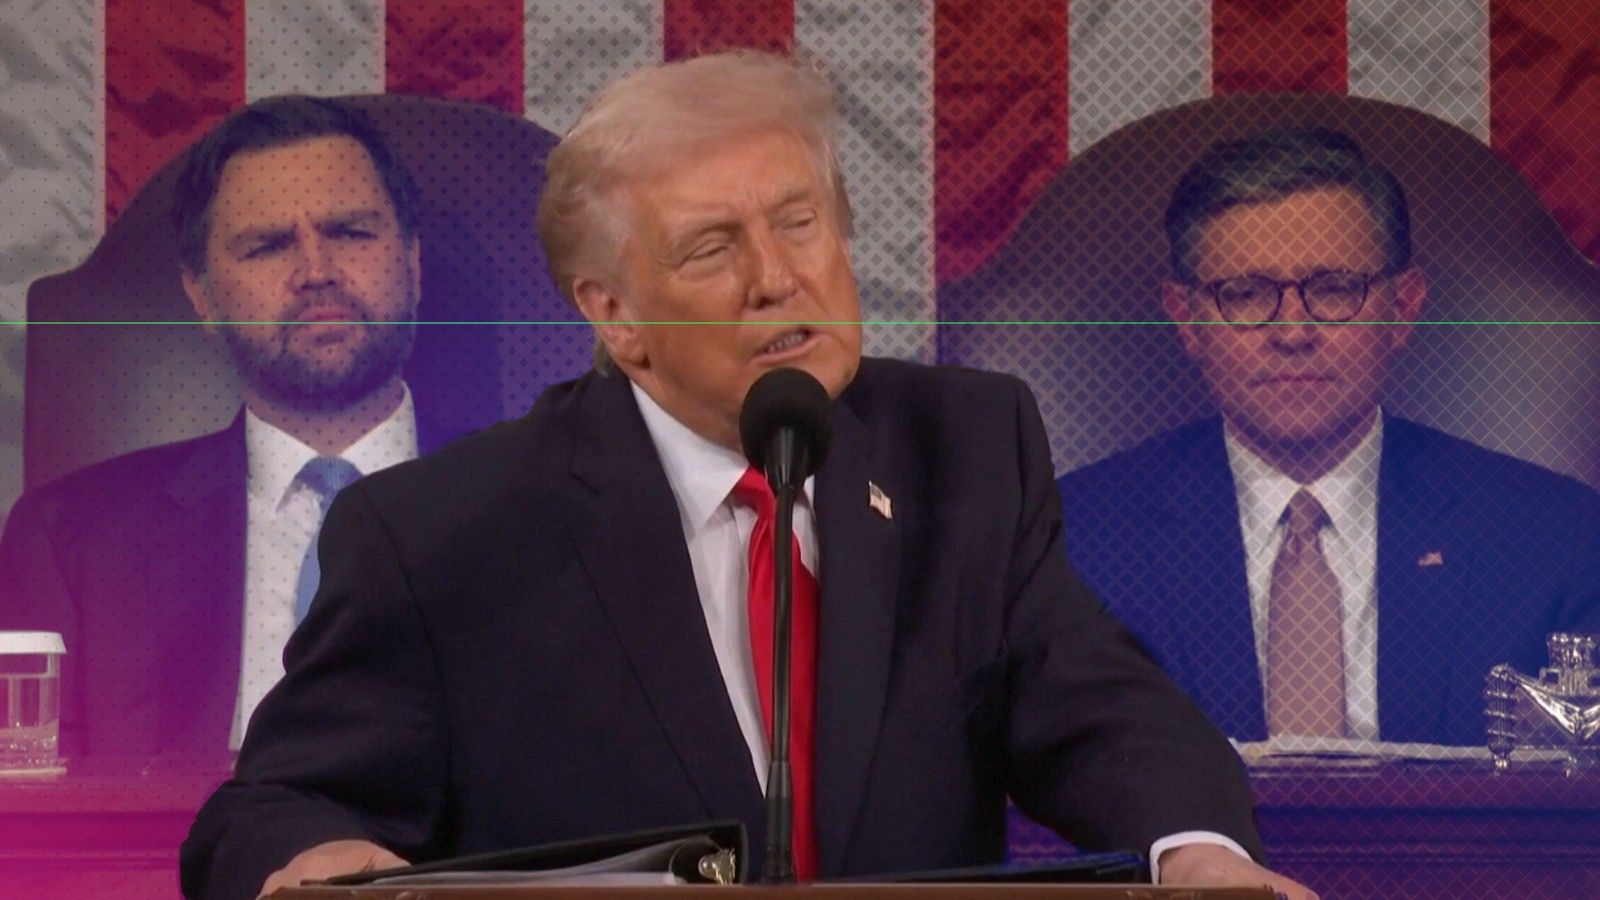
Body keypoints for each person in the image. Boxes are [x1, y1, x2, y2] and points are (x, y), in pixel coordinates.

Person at [178, 52, 1313, 900]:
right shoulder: (443, 529)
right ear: (616, 317)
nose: (780, 279)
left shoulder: (963, 445)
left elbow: (1102, 708)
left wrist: (1197, 852)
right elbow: (276, 807)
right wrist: (321, 863)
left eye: (801, 224)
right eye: (713, 249)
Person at [1058, 128, 1600, 745]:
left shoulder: (1557, 537)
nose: (1293, 332)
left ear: (1402, 308)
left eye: (1335, 288)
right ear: (1186, 320)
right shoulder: (1072, 543)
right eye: (1245, 294)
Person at [0, 96, 461, 757]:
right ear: (203, 297)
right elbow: (51, 809)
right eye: (268, 246)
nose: (317, 272)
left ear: (411, 264)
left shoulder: (546, 508)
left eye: (351, 233)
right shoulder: (69, 544)